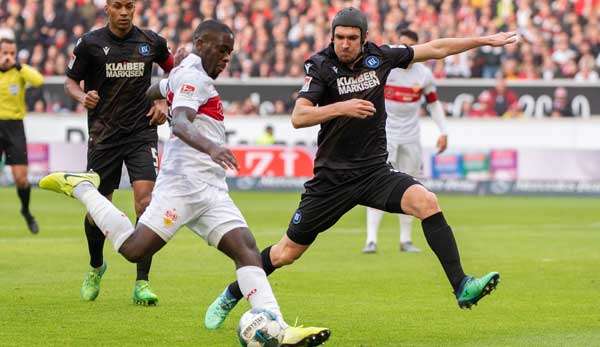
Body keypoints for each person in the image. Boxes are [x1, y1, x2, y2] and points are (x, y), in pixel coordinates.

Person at [204, 7, 517, 329]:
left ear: (364, 39)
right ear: (332, 37)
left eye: (352, 38)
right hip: (331, 180)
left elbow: (436, 48)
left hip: (373, 173)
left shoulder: (380, 57)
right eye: (339, 37)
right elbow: (299, 117)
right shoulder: (321, 66)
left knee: (428, 202)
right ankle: (231, 293)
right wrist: (342, 107)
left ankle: (462, 285)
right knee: (286, 253)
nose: (345, 43)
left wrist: (484, 41)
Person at [41, 19, 330, 346]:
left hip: (211, 191)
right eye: (221, 50)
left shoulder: (187, 70)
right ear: (201, 44)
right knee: (134, 250)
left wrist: (163, 93)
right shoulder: (193, 76)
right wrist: (212, 146)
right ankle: (83, 189)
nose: (226, 58)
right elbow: (179, 124)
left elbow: (154, 89)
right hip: (181, 188)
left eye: (230, 52)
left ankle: (277, 325)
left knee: (246, 248)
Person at [63, 0, 175, 304]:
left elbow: (175, 73)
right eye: (117, 6)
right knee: (98, 211)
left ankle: (142, 282)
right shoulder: (90, 44)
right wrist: (81, 95)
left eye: (129, 6)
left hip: (141, 133)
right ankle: (96, 266)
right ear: (107, 9)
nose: (124, 12)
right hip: (104, 136)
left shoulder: (152, 42)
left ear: (135, 8)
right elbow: (71, 81)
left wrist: (165, 100)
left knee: (146, 202)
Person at [362, 29, 448, 254]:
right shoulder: (386, 69)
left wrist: (443, 131)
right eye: (401, 46)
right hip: (385, 135)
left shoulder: (424, 75)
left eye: (408, 47)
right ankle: (371, 239)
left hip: (411, 137)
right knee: (376, 184)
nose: (403, 52)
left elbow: (433, 103)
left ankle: (405, 240)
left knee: (411, 185)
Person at [0, 37, 43, 234]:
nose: (8, 57)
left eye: (11, 53)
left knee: (21, 179)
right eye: (4, 53)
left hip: (15, 127)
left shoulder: (19, 71)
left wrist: (18, 65)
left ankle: (26, 211)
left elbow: (39, 80)